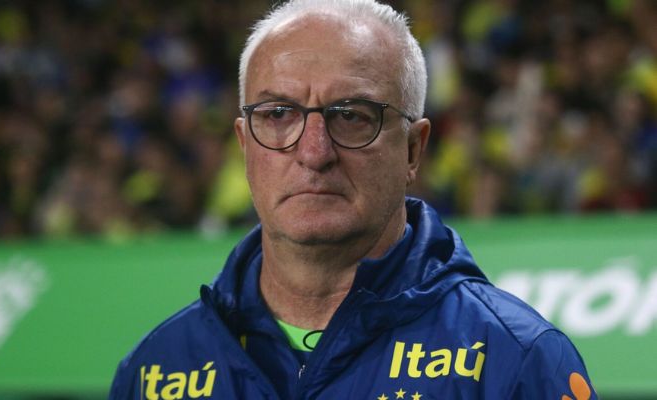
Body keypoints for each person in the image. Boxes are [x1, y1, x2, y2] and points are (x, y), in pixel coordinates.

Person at [109, 1, 597, 398]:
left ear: (413, 149)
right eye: (278, 114)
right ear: (244, 145)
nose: (314, 152)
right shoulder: (154, 370)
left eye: (352, 116)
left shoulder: (516, 359)